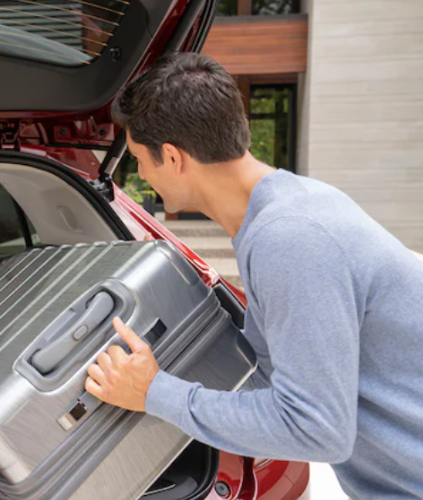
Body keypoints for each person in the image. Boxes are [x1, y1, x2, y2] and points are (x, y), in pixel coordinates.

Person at [85, 53, 423, 499]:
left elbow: (317, 431)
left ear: (172, 156)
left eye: (139, 161)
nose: (140, 174)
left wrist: (156, 394)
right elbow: (265, 373)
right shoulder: (284, 211)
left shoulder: (290, 238)